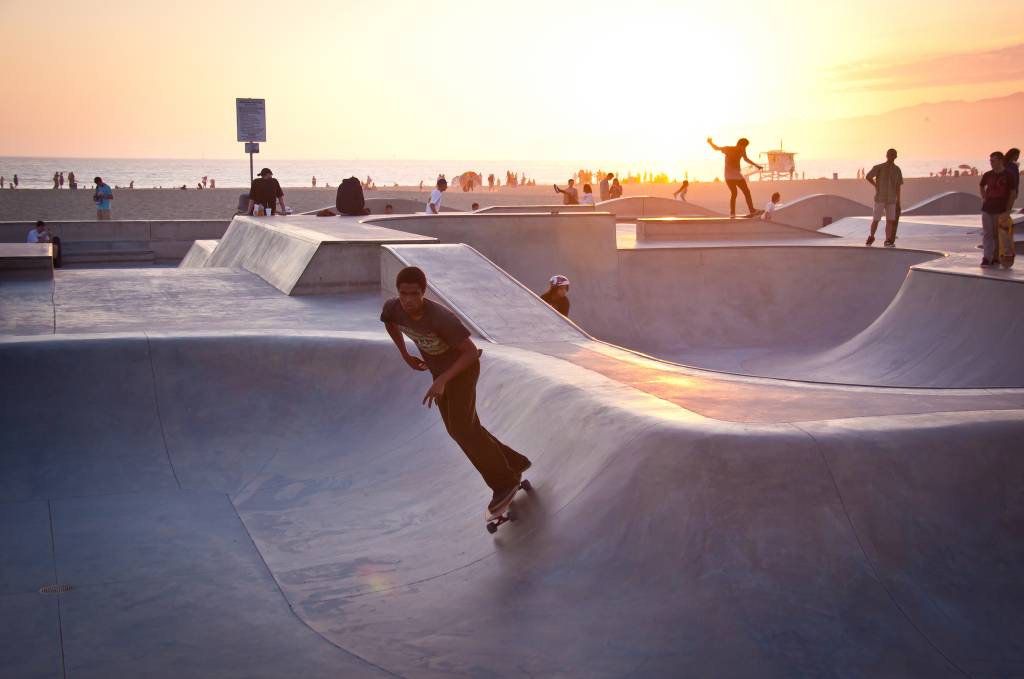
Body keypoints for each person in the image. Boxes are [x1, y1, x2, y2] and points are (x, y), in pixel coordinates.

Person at [380, 266, 532, 514]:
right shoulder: (393, 308)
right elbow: (389, 323)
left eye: (414, 294)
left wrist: (442, 381)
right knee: (459, 429)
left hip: (463, 371)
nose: (408, 300)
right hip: (440, 374)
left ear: (423, 292)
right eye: (403, 293)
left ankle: (504, 481)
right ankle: (514, 461)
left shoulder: (441, 318)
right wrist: (405, 354)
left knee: (463, 429)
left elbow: (471, 353)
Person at [979, 151, 1019, 267]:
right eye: (990, 161)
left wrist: (1008, 210)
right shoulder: (988, 174)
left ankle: (995, 258)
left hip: (1001, 210)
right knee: (988, 234)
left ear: (1000, 161)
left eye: (993, 161)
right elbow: (981, 185)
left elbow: (1012, 193)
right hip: (987, 209)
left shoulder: (1009, 175)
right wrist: (984, 197)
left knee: (998, 235)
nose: (991, 163)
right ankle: (987, 257)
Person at [707, 136, 763, 217]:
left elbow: (746, 159)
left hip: (737, 176)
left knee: (747, 192)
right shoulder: (728, 149)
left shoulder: (742, 150)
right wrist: (710, 142)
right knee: (734, 193)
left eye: (745, 147)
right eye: (744, 146)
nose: (744, 148)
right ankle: (732, 213)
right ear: (740, 144)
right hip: (729, 176)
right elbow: (716, 148)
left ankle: (752, 210)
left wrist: (756, 165)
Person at [865, 148, 903, 247]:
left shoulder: (897, 170)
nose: (891, 157)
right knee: (876, 219)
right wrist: (875, 185)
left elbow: (898, 186)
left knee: (890, 220)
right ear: (887, 156)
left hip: (891, 199)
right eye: (890, 155)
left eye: (893, 155)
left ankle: (887, 240)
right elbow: (868, 176)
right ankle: (871, 236)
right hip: (880, 198)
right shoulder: (879, 167)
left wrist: (898, 200)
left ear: (895, 157)